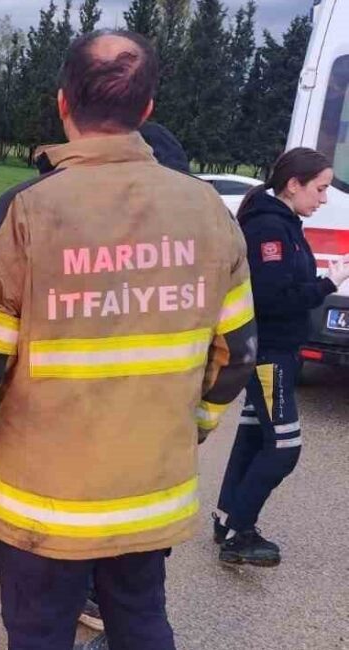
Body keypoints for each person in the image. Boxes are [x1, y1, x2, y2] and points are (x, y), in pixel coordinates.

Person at [0, 30, 257, 650]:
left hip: (42, 505)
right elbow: (235, 358)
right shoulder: (210, 211)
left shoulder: (24, 214)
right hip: (149, 496)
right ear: (148, 109)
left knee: (41, 634)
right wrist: (193, 428)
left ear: (61, 104)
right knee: (141, 622)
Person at [78, 119, 193, 639]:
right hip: (152, 458)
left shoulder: (70, 232)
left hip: (75, 461)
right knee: (142, 598)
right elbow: (231, 356)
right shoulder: (190, 247)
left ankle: (97, 603)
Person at [215, 148, 349, 566]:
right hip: (270, 355)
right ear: (294, 184)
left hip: (276, 352)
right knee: (285, 446)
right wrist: (329, 281)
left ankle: (226, 519)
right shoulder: (270, 228)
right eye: (321, 188)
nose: (325, 199)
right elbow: (273, 299)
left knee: (254, 437)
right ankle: (241, 532)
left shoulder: (284, 222)